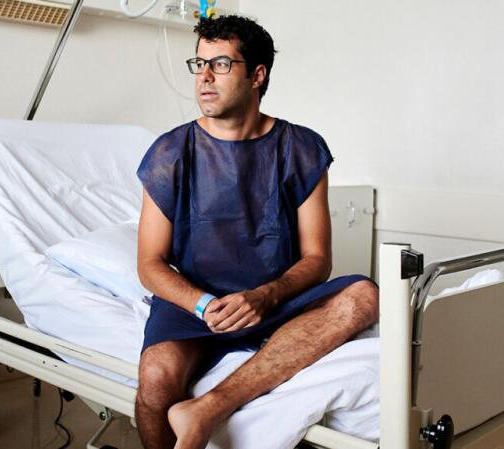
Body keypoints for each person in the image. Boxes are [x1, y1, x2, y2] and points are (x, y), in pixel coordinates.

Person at [135, 15, 379, 449]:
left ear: (257, 75)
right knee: (156, 379)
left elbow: (317, 259)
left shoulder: (301, 149)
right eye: (199, 64)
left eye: (221, 64)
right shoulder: (170, 154)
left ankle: (206, 408)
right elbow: (149, 264)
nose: (204, 77)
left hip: (276, 301)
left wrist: (265, 295)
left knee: (364, 296)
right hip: (198, 303)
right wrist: (203, 304)